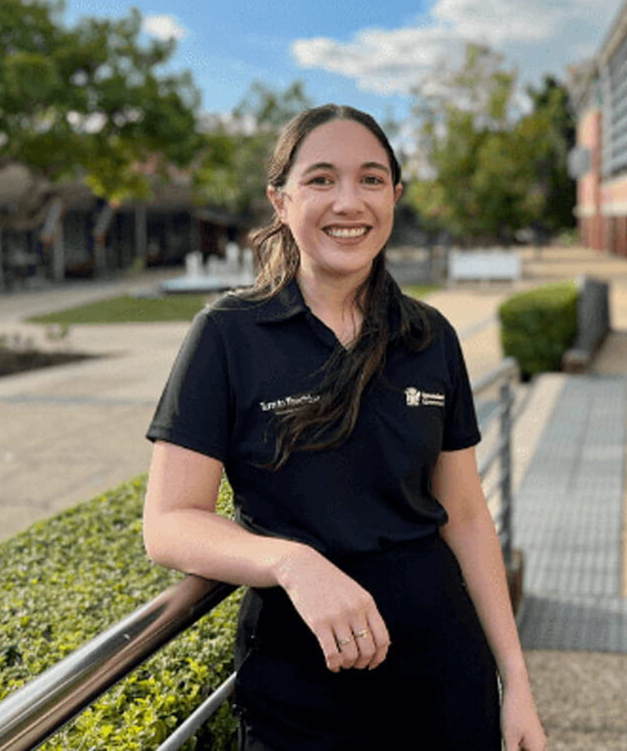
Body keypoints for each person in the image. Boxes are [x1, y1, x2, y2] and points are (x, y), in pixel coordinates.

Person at [143, 103, 546, 750]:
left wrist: (516, 680)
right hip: (300, 683)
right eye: (322, 180)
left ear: (395, 196)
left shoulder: (429, 336)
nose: (348, 202)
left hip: (443, 672)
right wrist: (292, 561)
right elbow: (168, 523)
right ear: (281, 200)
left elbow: (466, 515)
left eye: (371, 179)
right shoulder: (228, 336)